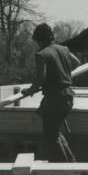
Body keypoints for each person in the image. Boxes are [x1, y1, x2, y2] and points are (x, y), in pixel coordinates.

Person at [21, 23, 80, 162]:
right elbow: (76, 62)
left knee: (51, 136)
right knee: (55, 132)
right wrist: (62, 73)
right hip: (67, 96)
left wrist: (29, 91)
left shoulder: (42, 54)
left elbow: (40, 79)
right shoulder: (63, 49)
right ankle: (71, 164)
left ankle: (63, 170)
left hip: (55, 99)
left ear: (38, 39)